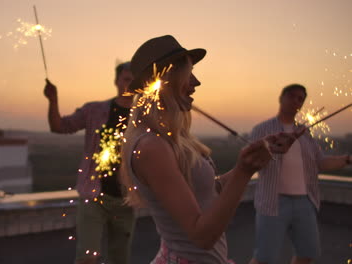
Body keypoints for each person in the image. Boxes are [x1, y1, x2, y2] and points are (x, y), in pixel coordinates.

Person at [120, 35, 289, 264]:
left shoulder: (170, 139)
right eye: (188, 73)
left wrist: (261, 155)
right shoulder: (151, 147)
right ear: (165, 78)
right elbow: (202, 236)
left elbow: (210, 190)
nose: (196, 82)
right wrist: (243, 171)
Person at [43, 62, 135, 264]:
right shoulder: (95, 110)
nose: (130, 84)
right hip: (93, 196)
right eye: (126, 79)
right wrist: (53, 100)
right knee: (87, 258)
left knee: (120, 259)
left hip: (126, 200)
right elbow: (59, 126)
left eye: (134, 80)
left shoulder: (144, 118)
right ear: (116, 81)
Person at [249, 84, 352, 264]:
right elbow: (251, 162)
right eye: (292, 96)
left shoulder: (306, 134)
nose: (296, 101)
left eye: (300, 99)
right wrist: (272, 150)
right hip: (272, 202)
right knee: (264, 259)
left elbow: (321, 162)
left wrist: (348, 159)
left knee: (307, 253)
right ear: (281, 98)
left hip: (305, 202)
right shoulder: (262, 129)